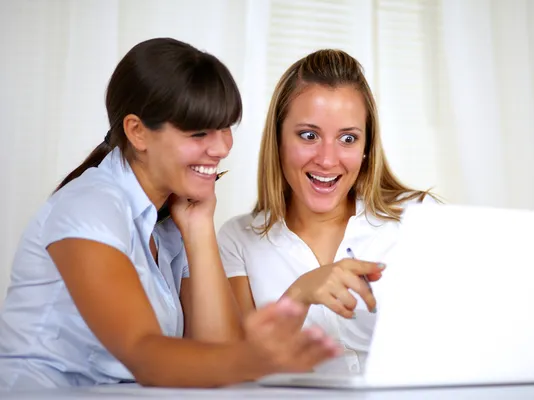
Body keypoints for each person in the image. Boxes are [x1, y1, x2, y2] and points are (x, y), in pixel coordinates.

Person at [217, 49, 534, 382]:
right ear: (278, 140)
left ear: (367, 147)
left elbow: (481, 337)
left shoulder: (418, 220)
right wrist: (300, 293)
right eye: (308, 135)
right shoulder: (239, 239)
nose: (328, 159)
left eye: (348, 138)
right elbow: (238, 368)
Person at [0, 38, 340, 392]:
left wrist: (199, 229)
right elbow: (145, 355)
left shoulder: (171, 218)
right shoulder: (90, 206)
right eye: (199, 133)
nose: (222, 147)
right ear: (137, 132)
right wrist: (254, 358)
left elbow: (216, 355)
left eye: (226, 127)